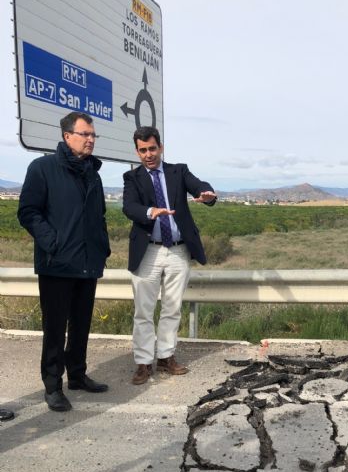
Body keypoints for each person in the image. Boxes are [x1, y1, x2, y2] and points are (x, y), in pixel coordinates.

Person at [18, 112, 111, 412]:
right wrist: (53, 243)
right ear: (67, 136)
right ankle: (52, 386)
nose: (91, 139)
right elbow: (28, 212)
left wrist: (103, 247)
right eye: (85, 134)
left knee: (81, 324)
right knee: (55, 329)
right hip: (57, 263)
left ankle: (78, 375)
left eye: (93, 135)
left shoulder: (92, 174)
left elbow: (98, 216)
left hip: (87, 261)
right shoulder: (43, 168)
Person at [123, 126, 216, 384]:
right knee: (144, 310)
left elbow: (199, 186)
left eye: (152, 148)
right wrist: (151, 212)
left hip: (178, 250)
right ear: (137, 152)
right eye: (143, 150)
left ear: (161, 147)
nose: (148, 154)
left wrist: (206, 195)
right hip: (148, 250)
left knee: (172, 308)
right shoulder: (131, 178)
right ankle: (143, 363)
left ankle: (165, 357)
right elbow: (129, 207)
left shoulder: (179, 171)